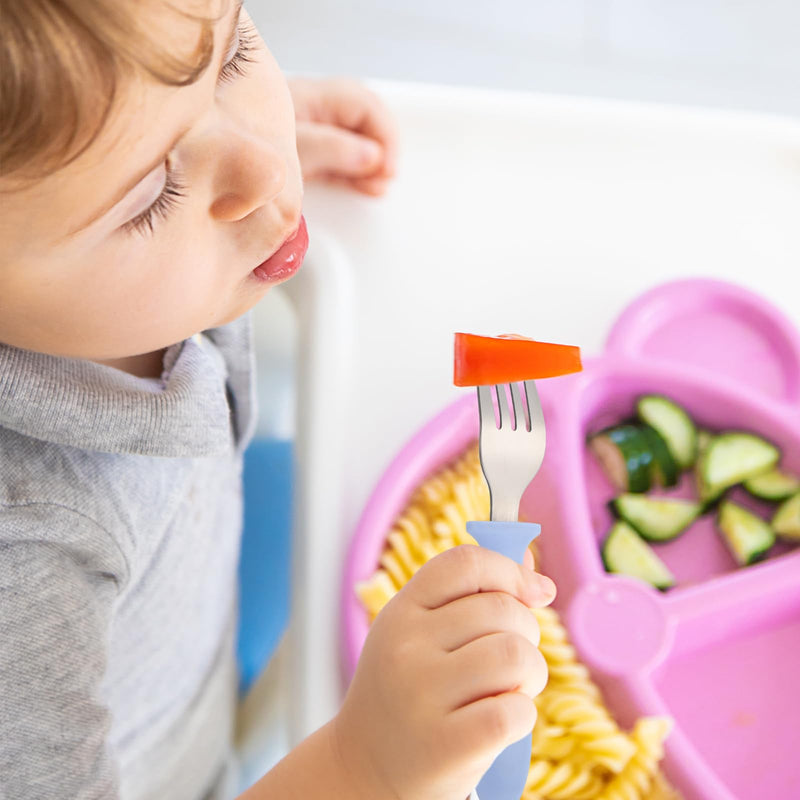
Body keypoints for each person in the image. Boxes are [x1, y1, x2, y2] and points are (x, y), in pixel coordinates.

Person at [0, 2, 556, 798]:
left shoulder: (102, 244)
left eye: (231, 56)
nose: (265, 166)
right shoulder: (24, 574)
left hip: (193, 610)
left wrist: (226, 108)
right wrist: (363, 764)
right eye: (152, 193)